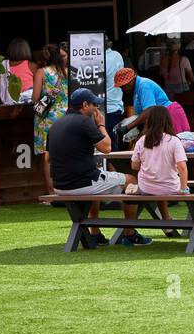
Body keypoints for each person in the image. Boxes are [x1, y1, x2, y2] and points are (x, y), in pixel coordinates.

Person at [47, 88, 144, 246]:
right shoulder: (84, 121)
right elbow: (106, 148)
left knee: (97, 177)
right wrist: (101, 125)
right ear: (85, 105)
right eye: (93, 105)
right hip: (82, 183)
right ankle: (130, 234)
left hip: (60, 186)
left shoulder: (55, 125)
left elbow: (47, 158)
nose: (96, 109)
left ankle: (95, 233)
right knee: (131, 180)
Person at [128, 104, 189, 233]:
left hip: (146, 187)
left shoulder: (141, 141)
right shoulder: (174, 141)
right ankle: (168, 222)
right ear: (168, 121)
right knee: (162, 186)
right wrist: (184, 189)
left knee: (154, 186)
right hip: (170, 187)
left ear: (148, 121)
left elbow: (134, 166)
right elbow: (182, 167)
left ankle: (166, 222)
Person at [33, 43, 69, 196]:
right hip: (67, 116)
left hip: (47, 117)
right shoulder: (69, 72)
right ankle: (68, 189)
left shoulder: (42, 72)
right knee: (68, 153)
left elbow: (35, 98)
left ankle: (52, 192)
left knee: (48, 156)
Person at [111, 66, 175, 142]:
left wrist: (128, 127)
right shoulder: (137, 89)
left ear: (131, 81)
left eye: (123, 86)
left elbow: (149, 111)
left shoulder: (143, 85)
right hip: (159, 119)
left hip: (168, 117)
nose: (122, 89)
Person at [104, 36, 126, 147]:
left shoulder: (99, 59)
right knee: (113, 141)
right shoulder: (117, 55)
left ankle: (113, 164)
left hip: (105, 107)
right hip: (116, 104)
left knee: (107, 143)